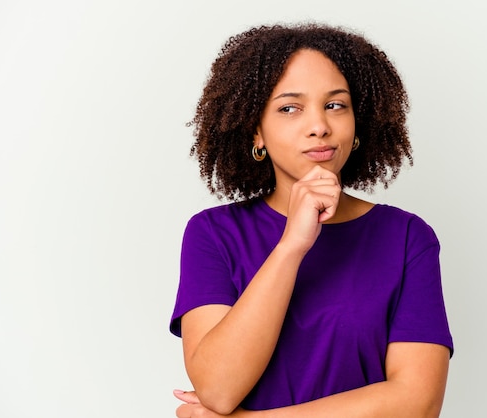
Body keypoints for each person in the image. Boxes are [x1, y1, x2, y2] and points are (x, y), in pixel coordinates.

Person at [170, 23, 453, 418]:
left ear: (357, 124)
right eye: (290, 108)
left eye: (336, 105)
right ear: (257, 132)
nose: (320, 126)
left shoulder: (406, 238)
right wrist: (291, 246)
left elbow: (417, 403)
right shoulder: (213, 234)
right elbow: (218, 388)